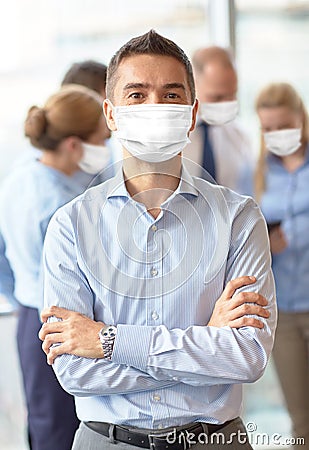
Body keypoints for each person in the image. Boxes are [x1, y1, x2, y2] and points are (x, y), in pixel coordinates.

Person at [39, 30, 276, 450]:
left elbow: (246, 356)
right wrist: (204, 342)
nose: (155, 107)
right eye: (137, 94)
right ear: (110, 114)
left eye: (171, 95)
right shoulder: (71, 225)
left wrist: (109, 341)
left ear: (192, 112)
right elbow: (75, 372)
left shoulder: (238, 218)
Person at [0, 84, 109, 450]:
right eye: (102, 138)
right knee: (59, 432)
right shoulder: (59, 206)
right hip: (60, 328)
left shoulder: (24, 174)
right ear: (75, 144)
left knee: (48, 423)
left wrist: (21, 297)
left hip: (32, 315)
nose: (108, 146)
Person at [255, 82, 309, 447]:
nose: (276, 134)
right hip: (284, 311)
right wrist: (266, 242)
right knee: (301, 420)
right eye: (268, 128)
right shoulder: (257, 173)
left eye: (283, 125)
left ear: (301, 119)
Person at [182, 46, 254, 195]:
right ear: (192, 84)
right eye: (217, 97)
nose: (226, 103)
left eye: (232, 95)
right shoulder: (171, 137)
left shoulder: (240, 137)